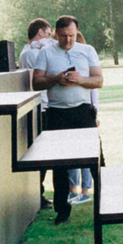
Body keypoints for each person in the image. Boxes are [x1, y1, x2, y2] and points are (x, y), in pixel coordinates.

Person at [23, 13, 102, 223]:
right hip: (57, 113)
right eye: (64, 36)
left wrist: (81, 80)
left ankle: (105, 203)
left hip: (83, 110)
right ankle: (62, 210)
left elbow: (99, 80)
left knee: (95, 160)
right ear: (56, 34)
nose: (68, 40)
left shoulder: (87, 51)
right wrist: (56, 79)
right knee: (59, 165)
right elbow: (36, 83)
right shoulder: (46, 53)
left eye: (72, 36)